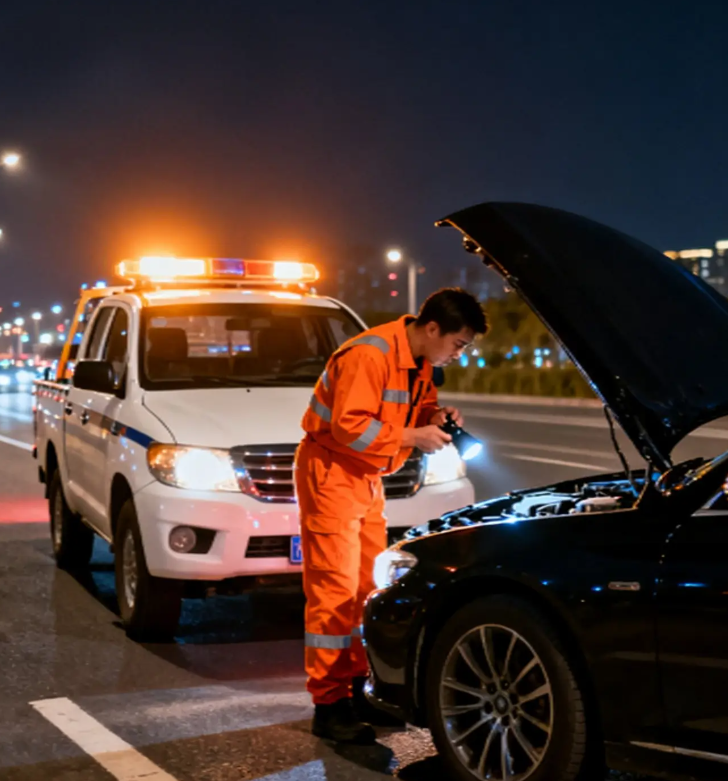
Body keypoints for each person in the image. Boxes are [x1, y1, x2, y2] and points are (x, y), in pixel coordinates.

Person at [295, 288, 488, 744]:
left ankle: (359, 688)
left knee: (367, 587)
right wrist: (412, 436)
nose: (458, 355)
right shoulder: (370, 354)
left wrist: (434, 415)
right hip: (332, 473)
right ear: (432, 328)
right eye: (458, 345)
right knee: (334, 592)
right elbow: (350, 427)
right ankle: (329, 705)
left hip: (364, 479)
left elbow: (408, 410)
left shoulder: (420, 363)